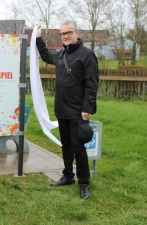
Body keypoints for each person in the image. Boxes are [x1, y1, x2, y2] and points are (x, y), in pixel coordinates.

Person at [35, 21, 99, 199]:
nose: (66, 36)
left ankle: (84, 182)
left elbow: (92, 84)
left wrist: (87, 108)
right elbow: (47, 57)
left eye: (69, 32)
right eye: (63, 34)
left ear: (76, 33)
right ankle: (68, 176)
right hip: (61, 109)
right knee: (66, 145)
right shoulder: (62, 54)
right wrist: (39, 38)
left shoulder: (87, 55)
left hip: (78, 110)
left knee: (78, 147)